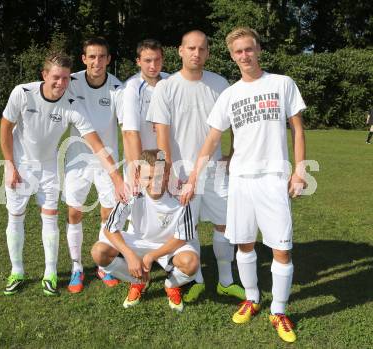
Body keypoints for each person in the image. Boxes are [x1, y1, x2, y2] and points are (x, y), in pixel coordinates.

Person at [181, 27, 306, 343]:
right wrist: (195, 175)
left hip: (274, 179)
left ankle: (279, 310)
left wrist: (300, 170)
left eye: (249, 49)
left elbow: (298, 130)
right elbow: (212, 139)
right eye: (238, 52)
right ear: (232, 55)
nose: (244, 56)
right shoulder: (230, 94)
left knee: (281, 248)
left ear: (258, 49)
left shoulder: (282, 84)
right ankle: (251, 298)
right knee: (245, 244)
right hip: (239, 180)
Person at [0, 52, 126, 297]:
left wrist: (117, 177)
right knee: (15, 217)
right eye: (56, 77)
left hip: (48, 169)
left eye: (67, 78)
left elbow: (96, 144)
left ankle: (50, 273)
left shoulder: (71, 105)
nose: (61, 83)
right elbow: (5, 127)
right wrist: (9, 164)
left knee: (49, 218)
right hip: (20, 166)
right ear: (44, 75)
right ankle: (17, 271)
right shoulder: (22, 93)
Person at [146, 30, 244, 303]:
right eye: (191, 48)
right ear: (180, 50)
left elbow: (236, 122)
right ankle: (198, 279)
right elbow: (161, 134)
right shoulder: (166, 87)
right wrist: (169, 171)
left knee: (225, 224)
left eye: (201, 49)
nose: (196, 53)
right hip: (180, 173)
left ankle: (226, 280)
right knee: (188, 230)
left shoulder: (220, 83)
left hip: (214, 171)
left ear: (208, 53)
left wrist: (233, 153)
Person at [91, 149, 200, 312]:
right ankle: (138, 280)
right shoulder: (131, 193)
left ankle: (171, 285)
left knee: (191, 263)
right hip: (139, 241)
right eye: (148, 177)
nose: (154, 183)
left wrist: (152, 256)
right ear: (137, 176)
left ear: (167, 174)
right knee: (99, 252)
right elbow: (110, 229)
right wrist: (129, 255)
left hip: (170, 245)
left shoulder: (181, 194)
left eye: (158, 177)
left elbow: (182, 238)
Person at [63, 37, 123, 293]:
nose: (97, 61)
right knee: (75, 213)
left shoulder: (118, 88)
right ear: (83, 58)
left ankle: (102, 265)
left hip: (107, 162)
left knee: (107, 214)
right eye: (92, 57)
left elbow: (126, 125)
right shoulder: (71, 82)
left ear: (109, 60)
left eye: (102, 57)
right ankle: (77, 267)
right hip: (77, 160)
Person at [121, 39, 168, 188]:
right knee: (140, 210)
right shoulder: (132, 87)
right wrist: (139, 168)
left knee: (166, 209)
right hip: (143, 163)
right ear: (138, 61)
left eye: (157, 60)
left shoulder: (171, 82)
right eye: (147, 60)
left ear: (163, 59)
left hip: (168, 161)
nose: (153, 66)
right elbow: (130, 133)